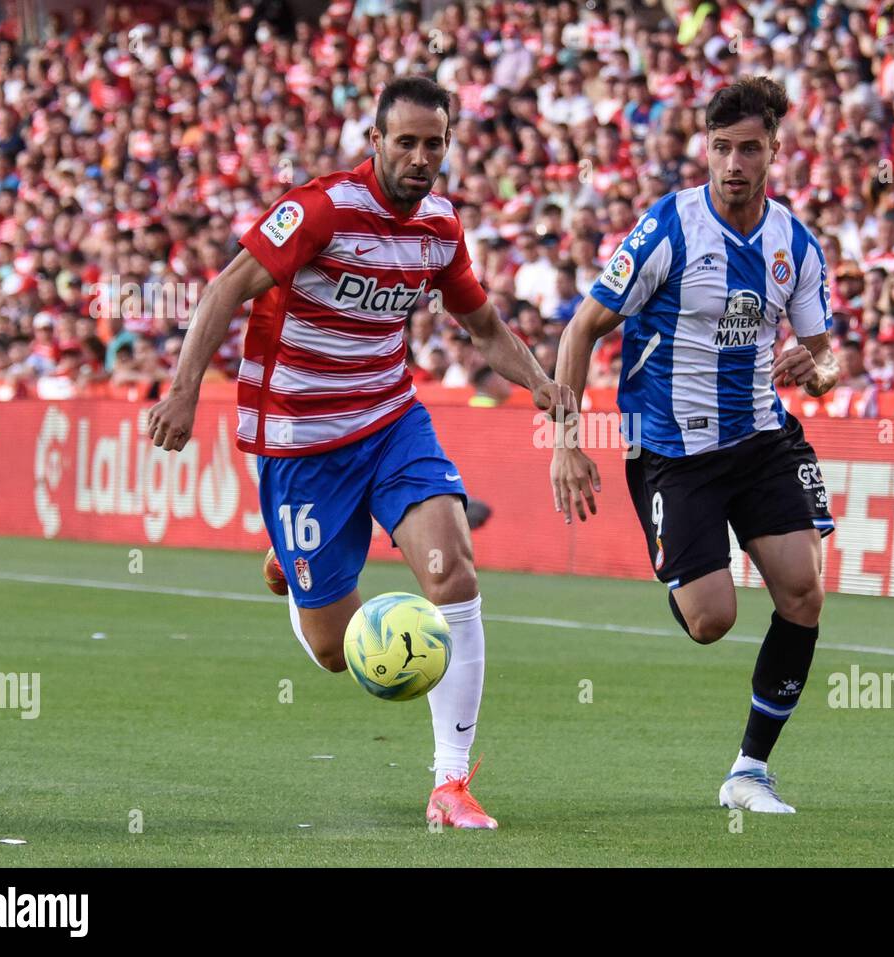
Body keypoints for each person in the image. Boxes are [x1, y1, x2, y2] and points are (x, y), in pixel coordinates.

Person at [147, 77, 574, 829]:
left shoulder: (440, 226)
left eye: (432, 143)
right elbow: (224, 290)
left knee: (454, 572)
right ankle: (289, 558)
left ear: (447, 146)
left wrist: (540, 381)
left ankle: (451, 783)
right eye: (404, 141)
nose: (419, 156)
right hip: (301, 442)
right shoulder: (320, 210)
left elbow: (483, 327)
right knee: (336, 651)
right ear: (373, 142)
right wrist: (183, 390)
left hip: (389, 419)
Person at [550, 77, 837, 814]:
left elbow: (827, 360)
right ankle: (683, 561)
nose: (733, 163)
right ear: (705, 149)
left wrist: (819, 366)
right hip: (672, 449)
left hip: (763, 436)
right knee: (712, 621)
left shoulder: (793, 243)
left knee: (803, 591)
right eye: (720, 148)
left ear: (774, 151)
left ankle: (749, 770)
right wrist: (566, 442)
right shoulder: (668, 229)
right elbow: (582, 328)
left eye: (749, 149)